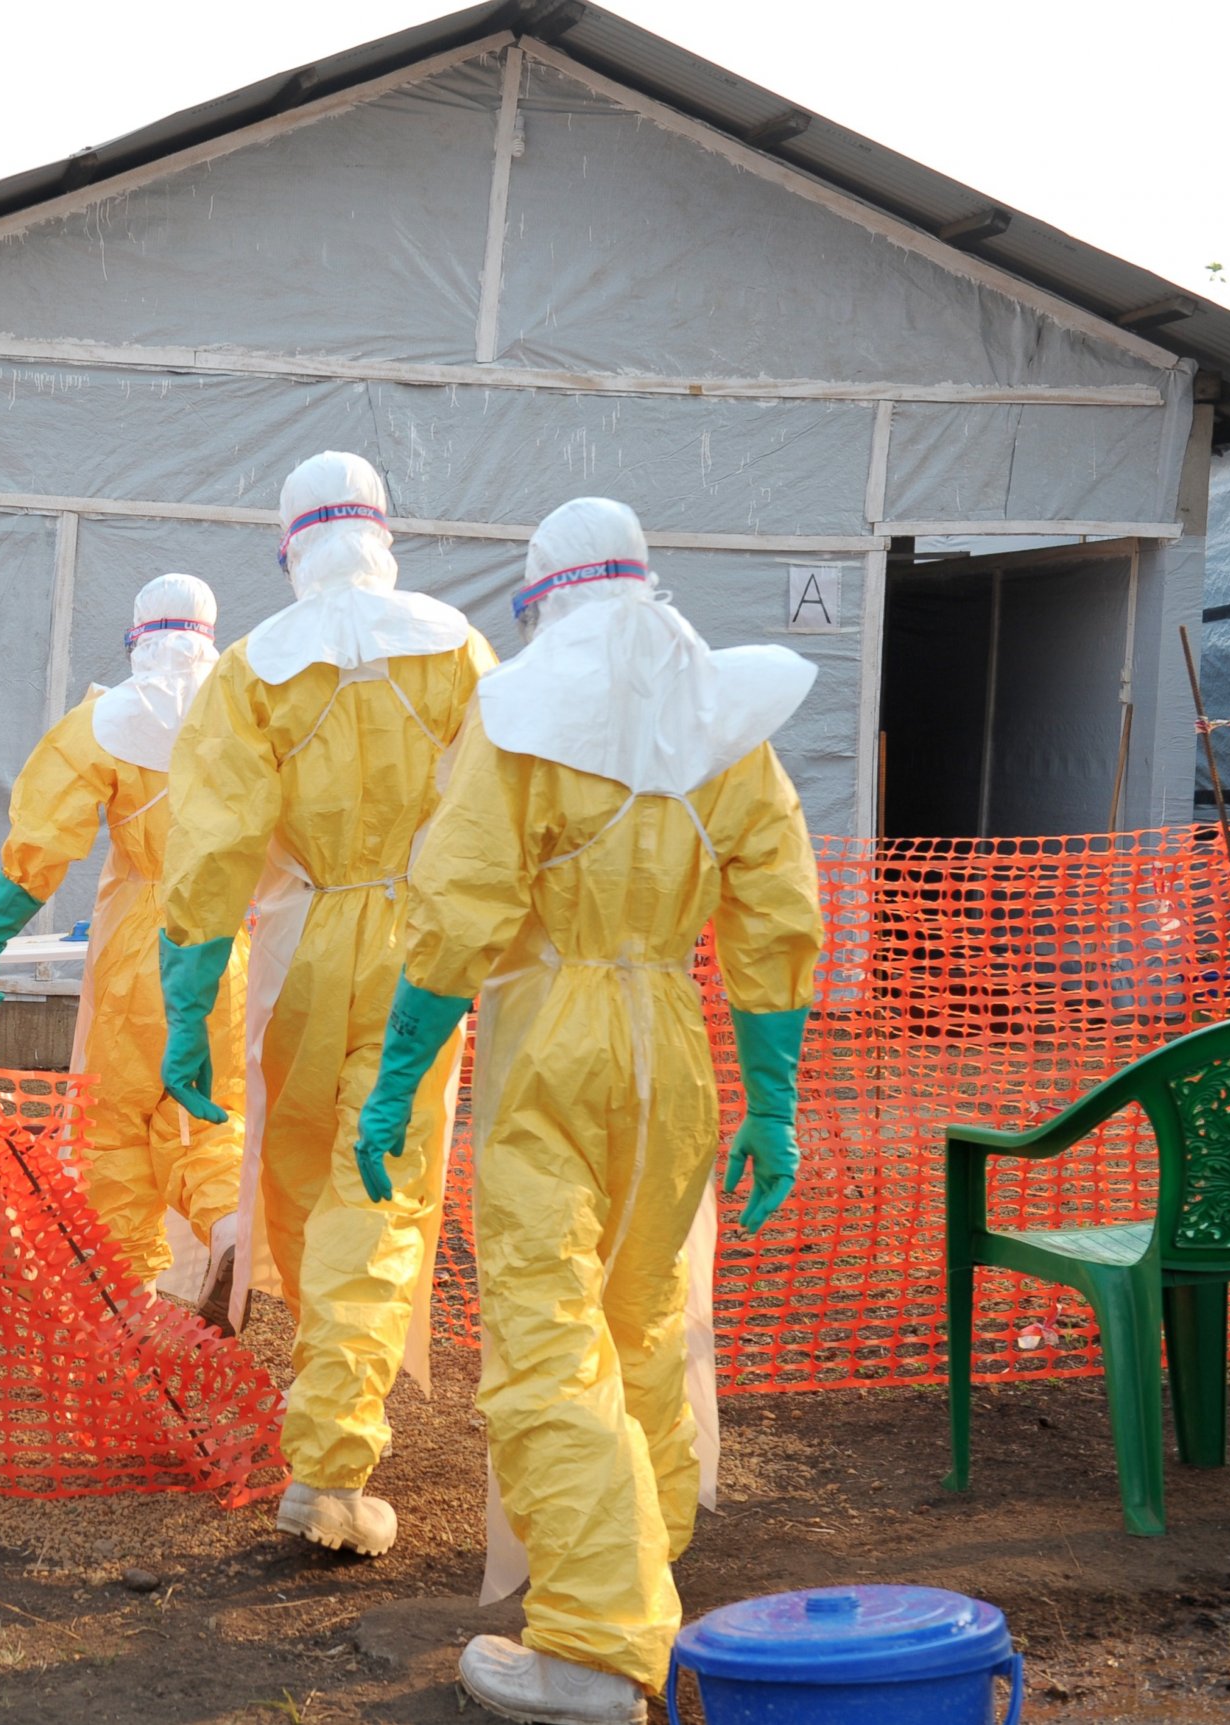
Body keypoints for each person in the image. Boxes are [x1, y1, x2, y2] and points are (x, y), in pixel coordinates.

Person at [353, 497, 823, 1722]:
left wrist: (397, 1084)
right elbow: (777, 919)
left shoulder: (519, 721)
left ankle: (594, 1648)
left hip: (551, 1038)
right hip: (673, 1039)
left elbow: (456, 918)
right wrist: (771, 1108)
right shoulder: (727, 725)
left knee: (547, 1331)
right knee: (647, 1311)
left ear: (542, 596)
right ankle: (644, 1551)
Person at [155, 451, 496, 1556]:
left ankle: (328, 1412)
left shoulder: (253, 669)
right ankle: (335, 1450)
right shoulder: (455, 647)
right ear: (384, 532)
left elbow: (207, 855)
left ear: (290, 545)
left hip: (298, 948)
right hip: (422, 948)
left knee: (305, 1184)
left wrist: (185, 1012)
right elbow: (502, 807)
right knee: (381, 1187)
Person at [0, 573, 247, 1320]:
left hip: (137, 951)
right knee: (211, 1112)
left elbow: (42, 840)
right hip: (224, 941)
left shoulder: (108, 721)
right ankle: (226, 1224)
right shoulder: (252, 711)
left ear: (138, 636)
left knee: (115, 1126)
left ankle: (129, 1300)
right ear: (209, 634)